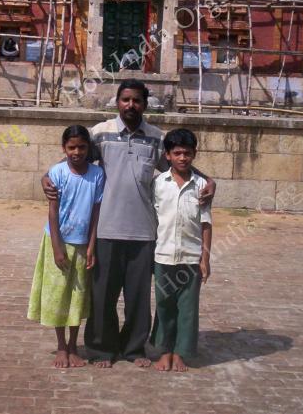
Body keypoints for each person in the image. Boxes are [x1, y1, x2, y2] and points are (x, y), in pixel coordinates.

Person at [42, 79, 216, 367]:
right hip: (106, 229)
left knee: (138, 298)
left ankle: (134, 349)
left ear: (145, 104)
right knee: (103, 297)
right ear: (117, 102)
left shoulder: (157, 138)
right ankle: (102, 349)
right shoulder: (100, 134)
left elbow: (179, 165)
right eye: (125, 99)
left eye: (136, 100)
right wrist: (46, 177)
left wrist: (209, 180)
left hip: (144, 232)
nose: (130, 105)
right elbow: (74, 158)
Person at [28, 125, 105, 368]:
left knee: (78, 296)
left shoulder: (97, 175)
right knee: (58, 295)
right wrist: (57, 246)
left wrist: (91, 245)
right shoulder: (57, 172)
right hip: (58, 241)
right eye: (72, 147)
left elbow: (96, 213)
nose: (77, 152)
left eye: (82, 147)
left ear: (88, 148)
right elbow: (52, 212)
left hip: (82, 245)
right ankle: (61, 345)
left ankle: (74, 345)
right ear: (64, 148)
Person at [151, 128, 212, 373]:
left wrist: (205, 258)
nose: (182, 158)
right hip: (163, 255)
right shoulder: (158, 184)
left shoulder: (202, 186)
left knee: (187, 308)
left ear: (194, 154)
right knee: (164, 305)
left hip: (191, 256)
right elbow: (153, 219)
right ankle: (165, 351)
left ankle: (180, 353)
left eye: (187, 153)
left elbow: (206, 224)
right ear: (167, 155)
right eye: (177, 153)